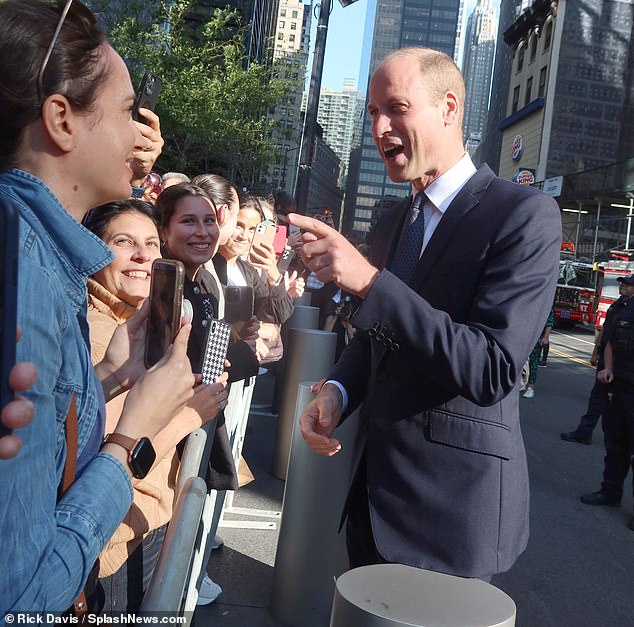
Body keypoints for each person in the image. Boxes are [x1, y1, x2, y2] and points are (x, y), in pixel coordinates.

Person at [288, 47, 561, 580]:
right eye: (371, 113)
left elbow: (491, 367)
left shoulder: (523, 216)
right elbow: (378, 340)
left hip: (452, 514)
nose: (380, 127)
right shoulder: (394, 221)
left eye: (397, 108)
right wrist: (337, 392)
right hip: (371, 497)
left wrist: (368, 281)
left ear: (449, 108)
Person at [0, 0, 197, 612]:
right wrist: (133, 432)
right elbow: (22, 596)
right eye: (125, 110)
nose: (141, 135)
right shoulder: (22, 269)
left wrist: (112, 375)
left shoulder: (38, 249)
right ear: (61, 119)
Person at [83, 200, 228, 611]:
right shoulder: (96, 329)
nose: (144, 256)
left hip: (143, 521)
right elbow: (110, 456)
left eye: (150, 244)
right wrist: (191, 413)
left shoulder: (135, 319)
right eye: (124, 242)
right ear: (91, 249)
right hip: (116, 538)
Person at [156, 182, 259, 605]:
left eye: (208, 221)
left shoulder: (204, 285)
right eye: (187, 221)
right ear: (163, 230)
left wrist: (243, 346)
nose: (202, 231)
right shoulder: (161, 287)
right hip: (164, 445)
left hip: (196, 438)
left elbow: (212, 361)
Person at [580, 274, 634, 529]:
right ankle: (610, 493)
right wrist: (607, 367)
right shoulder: (624, 308)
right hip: (619, 385)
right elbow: (609, 339)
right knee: (615, 445)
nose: (623, 286)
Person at [560, 323, 611, 445]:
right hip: (607, 360)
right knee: (597, 399)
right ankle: (584, 432)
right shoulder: (617, 308)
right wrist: (595, 352)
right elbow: (604, 331)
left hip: (624, 365)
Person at [522, 308, 554, 399]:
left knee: (533, 362)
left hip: (536, 337)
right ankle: (521, 382)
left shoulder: (545, 301)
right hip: (524, 335)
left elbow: (549, 321)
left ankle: (530, 388)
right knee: (520, 361)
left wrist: (546, 337)